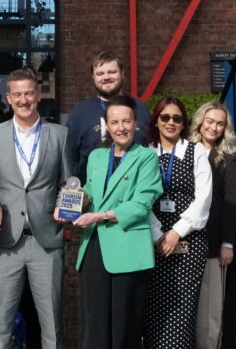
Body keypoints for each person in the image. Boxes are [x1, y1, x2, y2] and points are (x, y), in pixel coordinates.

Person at [0, 67, 70, 349]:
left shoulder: (60, 134)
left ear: (38, 95)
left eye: (28, 93)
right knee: (0, 327)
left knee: (52, 325)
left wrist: (66, 206)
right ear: (8, 97)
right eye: (17, 94)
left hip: (46, 242)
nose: (23, 99)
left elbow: (68, 184)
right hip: (6, 241)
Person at [63, 94, 162, 349]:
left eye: (126, 121)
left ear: (135, 123)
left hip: (128, 248)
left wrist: (101, 215)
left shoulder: (147, 158)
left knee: (124, 327)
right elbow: (92, 194)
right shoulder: (96, 156)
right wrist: (71, 203)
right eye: (115, 122)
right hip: (95, 246)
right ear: (106, 125)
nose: (121, 128)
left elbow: (141, 204)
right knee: (94, 326)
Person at [145, 97, 211, 349]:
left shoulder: (197, 152)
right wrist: (157, 235)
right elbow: (141, 198)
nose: (171, 122)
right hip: (153, 241)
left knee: (183, 308)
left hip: (189, 242)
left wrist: (175, 233)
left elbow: (203, 199)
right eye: (165, 117)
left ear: (184, 123)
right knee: (153, 308)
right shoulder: (146, 153)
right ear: (156, 120)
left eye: (177, 118)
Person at [190, 101, 236, 349]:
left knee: (210, 312)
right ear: (200, 121)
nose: (214, 127)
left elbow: (231, 202)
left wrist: (227, 243)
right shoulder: (185, 151)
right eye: (210, 121)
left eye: (220, 123)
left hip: (213, 244)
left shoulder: (227, 158)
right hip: (183, 244)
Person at [66, 51, 152, 180]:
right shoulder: (81, 111)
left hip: (135, 188)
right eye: (100, 73)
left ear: (122, 74)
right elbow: (70, 156)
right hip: (92, 192)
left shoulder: (139, 108)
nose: (106, 77)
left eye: (112, 72)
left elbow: (150, 146)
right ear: (93, 77)